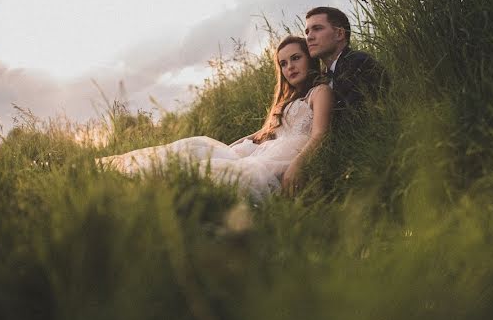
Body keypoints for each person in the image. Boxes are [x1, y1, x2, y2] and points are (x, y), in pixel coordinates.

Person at [96, 36, 333, 200]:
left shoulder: (319, 92)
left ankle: (146, 190)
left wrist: (297, 166)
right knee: (196, 148)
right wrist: (235, 145)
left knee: (218, 176)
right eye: (283, 63)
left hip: (282, 158)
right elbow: (264, 134)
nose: (289, 67)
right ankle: (122, 175)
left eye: (295, 58)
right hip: (263, 150)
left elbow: (320, 133)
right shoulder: (288, 102)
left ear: (309, 58)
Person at [303, 6, 386, 120]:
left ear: (339, 34)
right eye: (307, 32)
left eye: (317, 29)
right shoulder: (319, 77)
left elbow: (358, 118)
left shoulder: (360, 63)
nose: (309, 37)